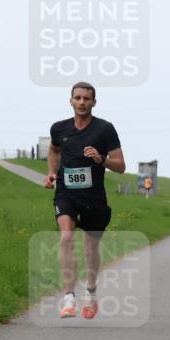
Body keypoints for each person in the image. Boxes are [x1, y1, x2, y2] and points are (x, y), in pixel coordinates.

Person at [44, 81, 125, 319]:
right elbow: (54, 150)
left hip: (94, 197)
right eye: (77, 98)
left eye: (86, 99)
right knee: (66, 237)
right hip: (66, 193)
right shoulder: (59, 128)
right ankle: (69, 297)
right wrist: (51, 172)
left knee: (91, 249)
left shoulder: (104, 129)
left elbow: (121, 166)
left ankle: (90, 292)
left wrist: (101, 159)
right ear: (70, 101)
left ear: (94, 102)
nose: (81, 102)